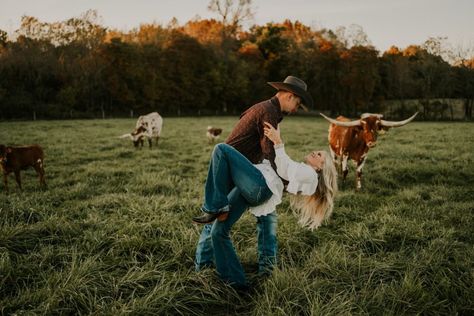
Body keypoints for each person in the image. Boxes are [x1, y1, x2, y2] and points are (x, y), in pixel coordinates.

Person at [193, 76, 313, 288]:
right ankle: (206, 267)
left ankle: (209, 268)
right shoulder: (268, 112)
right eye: (297, 103)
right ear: (289, 95)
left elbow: (267, 154)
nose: (296, 109)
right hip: (236, 171)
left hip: (245, 170)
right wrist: (287, 181)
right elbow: (270, 153)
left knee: (224, 220)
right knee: (217, 220)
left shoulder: (270, 110)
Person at [192, 122, 338, 291]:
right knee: (219, 231)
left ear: (321, 168)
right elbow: (282, 165)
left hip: (260, 186)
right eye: (317, 151)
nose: (315, 152)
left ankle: (214, 206)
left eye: (319, 155)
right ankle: (236, 283)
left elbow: (284, 168)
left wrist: (278, 141)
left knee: (221, 149)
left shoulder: (310, 174)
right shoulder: (304, 170)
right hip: (253, 185)